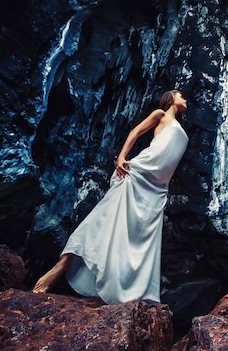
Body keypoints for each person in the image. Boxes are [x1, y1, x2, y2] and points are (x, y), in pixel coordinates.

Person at [33, 90, 188, 304]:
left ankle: (132, 290)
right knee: (103, 220)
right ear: (170, 99)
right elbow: (135, 132)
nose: (185, 98)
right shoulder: (161, 114)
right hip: (139, 175)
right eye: (180, 95)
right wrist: (121, 157)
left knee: (136, 237)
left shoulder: (179, 126)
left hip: (157, 188)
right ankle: (60, 266)